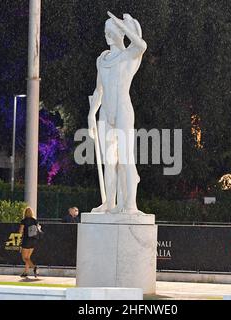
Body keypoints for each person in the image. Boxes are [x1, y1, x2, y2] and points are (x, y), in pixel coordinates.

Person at [88, 12, 147, 214]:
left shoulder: (129, 56)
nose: (107, 34)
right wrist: (90, 115)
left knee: (125, 158)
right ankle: (109, 203)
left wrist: (125, 27)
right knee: (109, 162)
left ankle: (130, 205)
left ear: (119, 33)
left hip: (122, 109)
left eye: (111, 30)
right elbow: (98, 90)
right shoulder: (102, 59)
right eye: (106, 31)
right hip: (105, 111)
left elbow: (141, 45)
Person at [18, 207, 39, 278]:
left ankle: (34, 267)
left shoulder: (24, 221)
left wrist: (20, 236)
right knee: (28, 257)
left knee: (24, 258)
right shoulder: (35, 220)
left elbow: (21, 231)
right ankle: (25, 272)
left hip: (27, 240)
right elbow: (38, 229)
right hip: (34, 240)